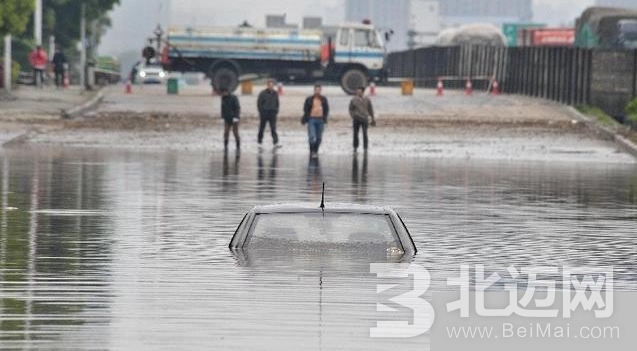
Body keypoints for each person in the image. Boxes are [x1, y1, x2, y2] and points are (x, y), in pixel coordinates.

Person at [303, 84, 329, 158]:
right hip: (312, 119)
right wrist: (307, 117)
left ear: (320, 91)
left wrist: (325, 118)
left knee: (319, 138)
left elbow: (326, 109)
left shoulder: (323, 99)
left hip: (320, 120)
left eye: (319, 90)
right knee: (311, 136)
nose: (317, 91)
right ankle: (312, 151)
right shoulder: (309, 99)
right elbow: (305, 109)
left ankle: (316, 150)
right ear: (314, 91)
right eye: (316, 90)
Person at [348, 86, 376, 153]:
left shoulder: (367, 99)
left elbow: (370, 109)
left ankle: (365, 148)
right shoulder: (353, 99)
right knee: (355, 134)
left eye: (360, 92)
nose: (358, 93)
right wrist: (353, 116)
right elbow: (350, 109)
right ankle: (355, 147)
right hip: (356, 119)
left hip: (364, 118)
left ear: (363, 92)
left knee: (365, 134)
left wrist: (373, 118)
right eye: (357, 91)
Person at [257, 79, 280, 150]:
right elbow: (259, 103)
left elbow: (277, 103)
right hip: (264, 113)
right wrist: (261, 111)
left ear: (273, 85)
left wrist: (276, 111)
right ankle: (259, 142)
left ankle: (275, 142)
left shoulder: (275, 93)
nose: (271, 86)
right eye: (269, 85)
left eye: (272, 85)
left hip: (272, 113)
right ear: (267, 85)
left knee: (273, 128)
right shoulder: (262, 93)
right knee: (262, 128)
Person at [220, 87, 241, 152]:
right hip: (227, 119)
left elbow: (237, 107)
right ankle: (225, 146)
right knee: (226, 132)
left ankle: (238, 146)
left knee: (235, 133)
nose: (223, 94)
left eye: (224, 92)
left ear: (227, 92)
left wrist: (236, 117)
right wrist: (222, 117)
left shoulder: (234, 97)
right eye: (222, 93)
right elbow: (222, 108)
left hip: (234, 119)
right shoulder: (223, 98)